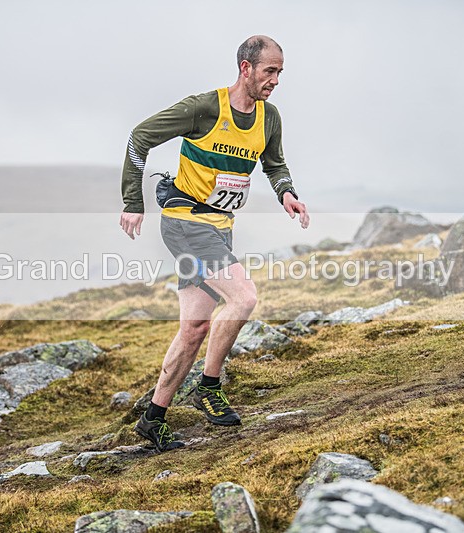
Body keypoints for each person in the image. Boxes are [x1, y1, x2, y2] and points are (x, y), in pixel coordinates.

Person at [119, 35, 310, 452]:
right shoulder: (204, 108)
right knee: (242, 299)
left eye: (279, 73)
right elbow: (139, 137)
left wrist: (286, 193)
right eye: (269, 72)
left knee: (194, 330)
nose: (275, 80)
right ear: (246, 68)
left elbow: (273, 162)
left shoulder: (269, 117)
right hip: (186, 223)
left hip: (219, 226)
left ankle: (154, 418)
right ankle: (208, 386)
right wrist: (133, 202)